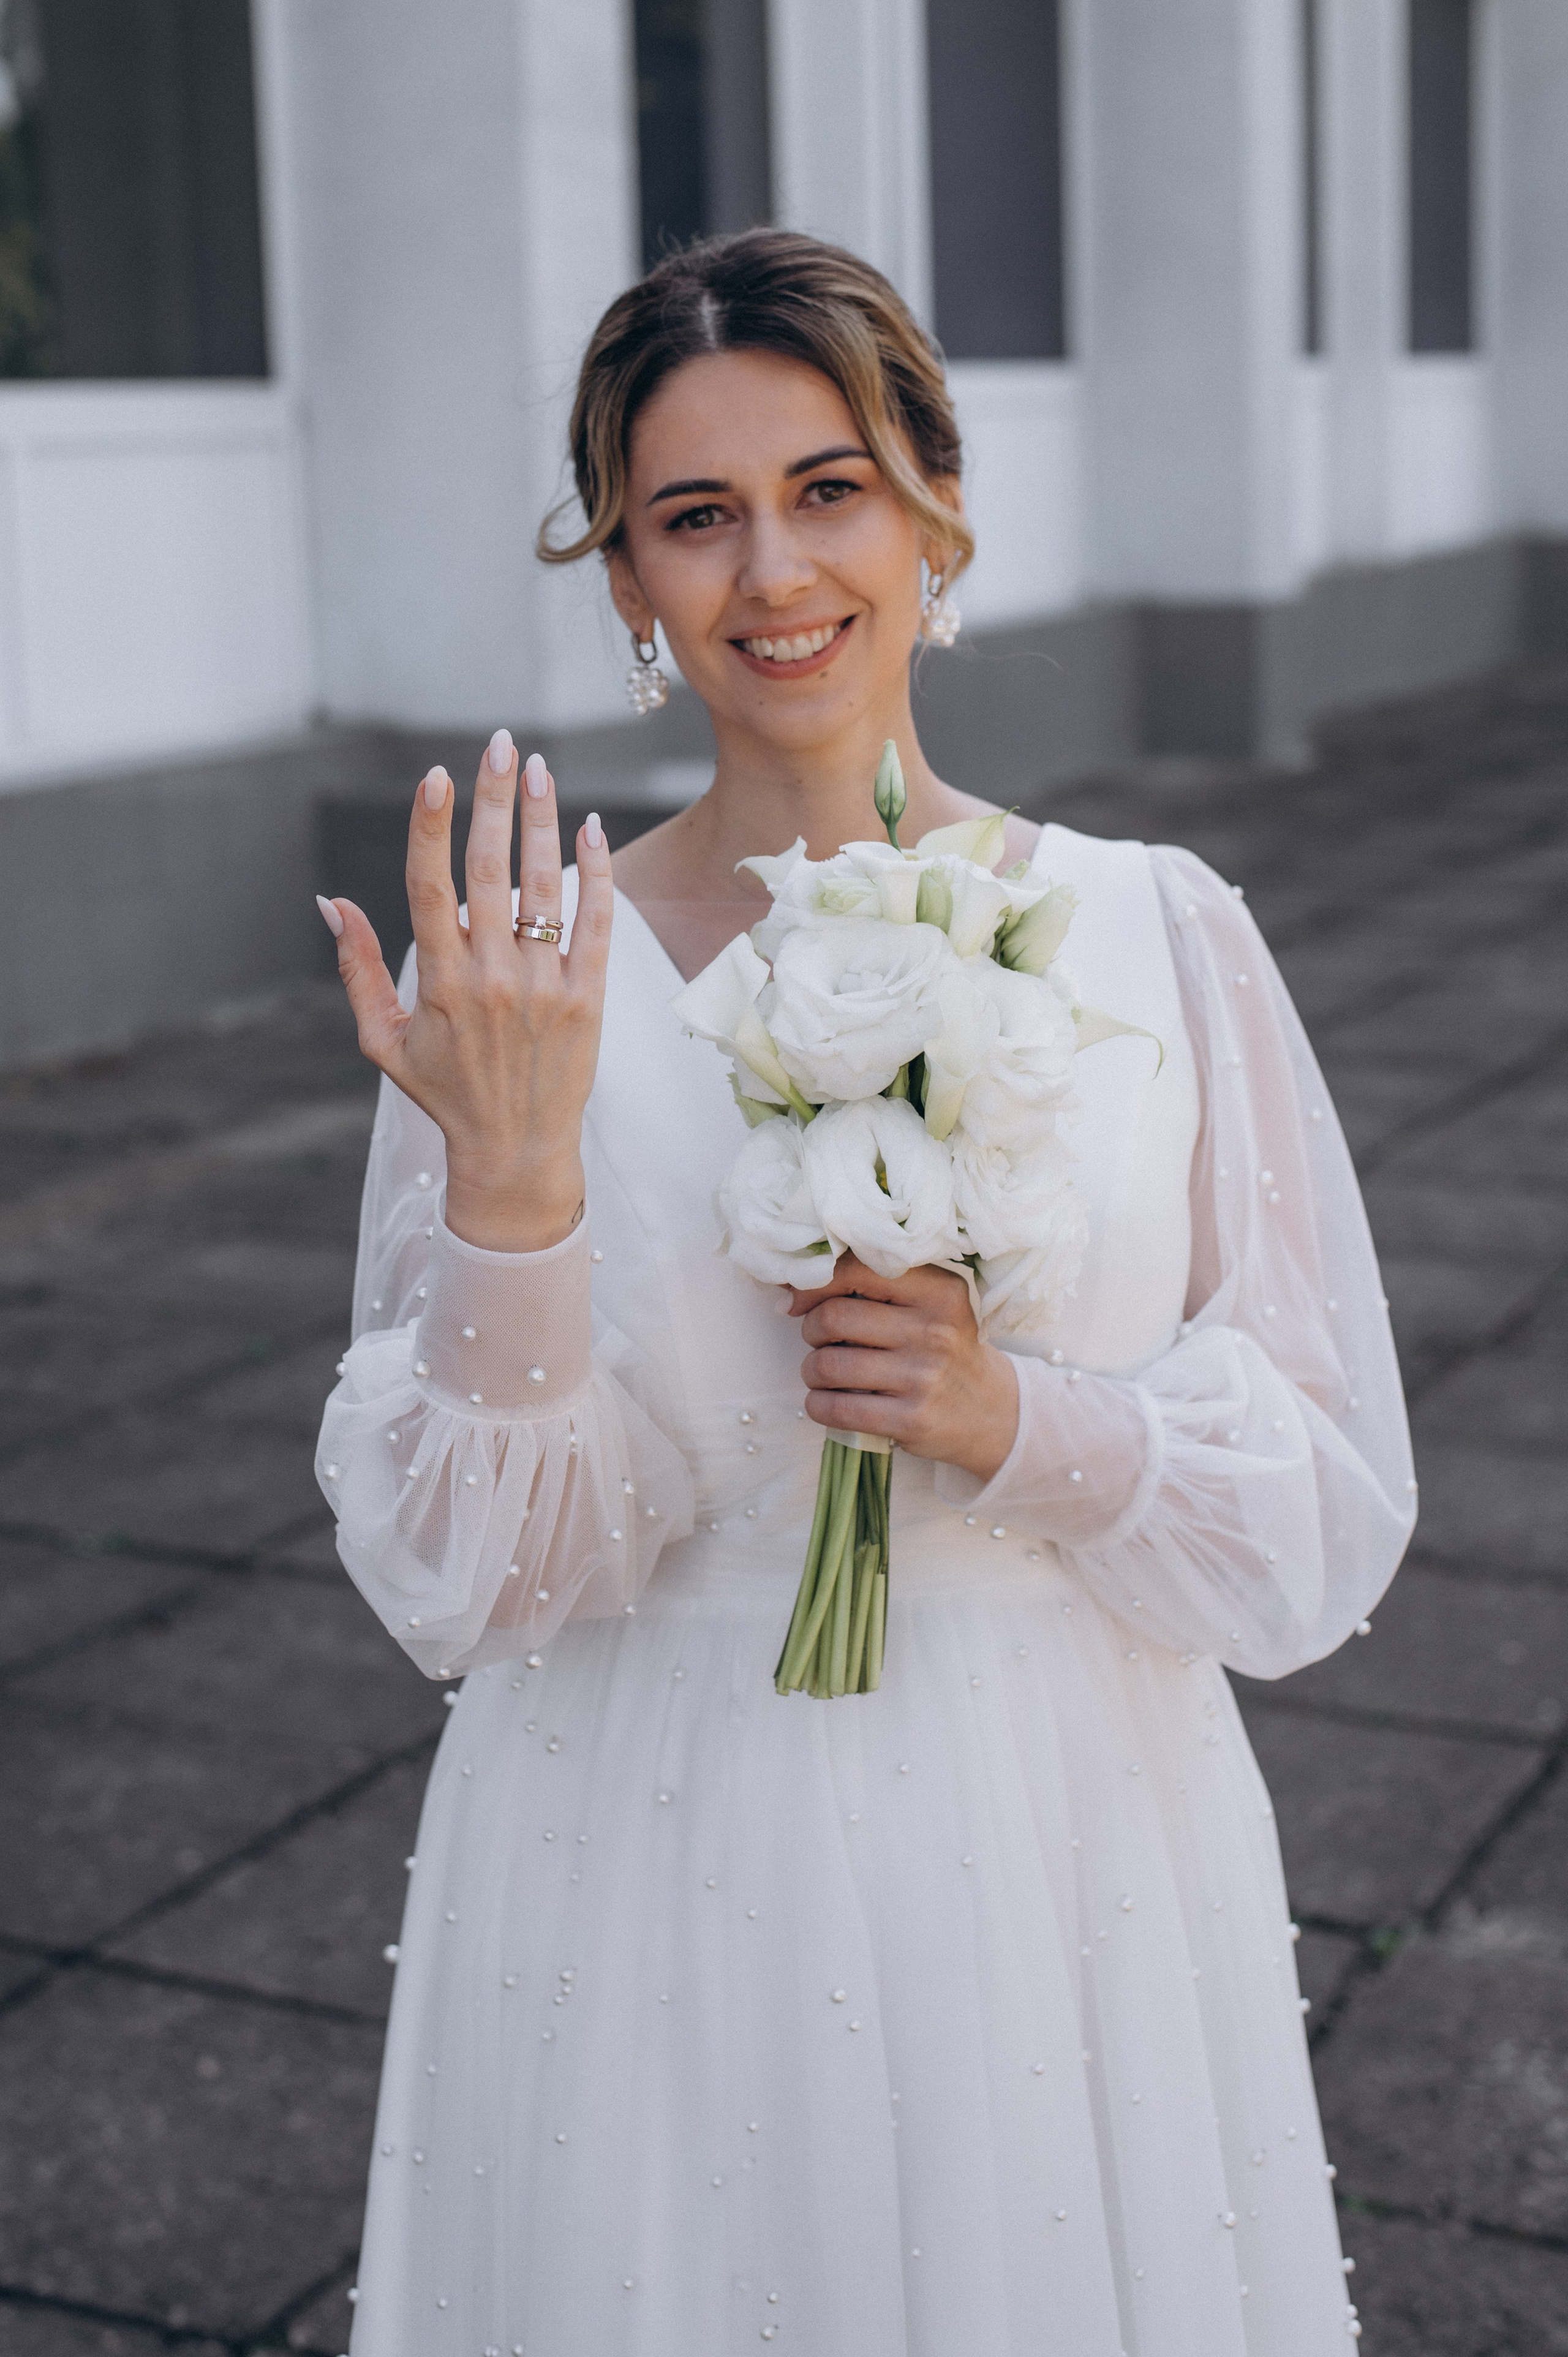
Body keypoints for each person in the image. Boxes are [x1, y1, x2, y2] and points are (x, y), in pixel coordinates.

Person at [314, 230, 1414, 2356]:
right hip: (647, 1840)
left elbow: (1321, 1500)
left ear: (936, 507)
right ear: (627, 585)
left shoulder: (1157, 935)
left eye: (827, 489)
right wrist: (519, 1189)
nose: (773, 573)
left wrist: (1034, 1425)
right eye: (692, 520)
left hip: (1064, 1840)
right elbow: (479, 1583)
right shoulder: (530, 981)